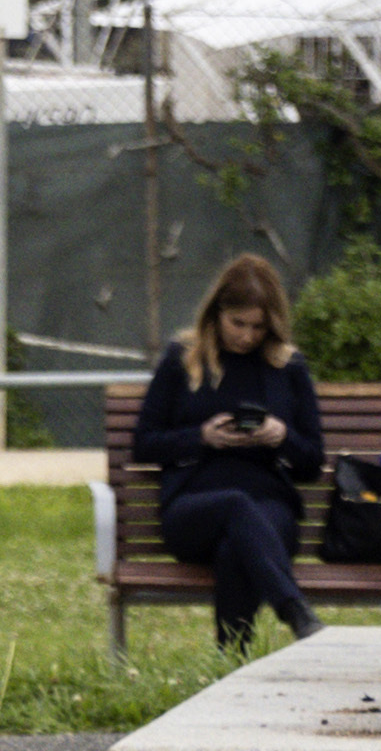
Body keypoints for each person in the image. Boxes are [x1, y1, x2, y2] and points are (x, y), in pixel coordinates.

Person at [121, 245, 327, 650]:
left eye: (258, 327)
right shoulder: (184, 358)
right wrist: (201, 437)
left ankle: (230, 664)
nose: (247, 336)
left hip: (270, 506)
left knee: (238, 542)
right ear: (216, 312)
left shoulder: (288, 367)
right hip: (194, 506)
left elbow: (312, 462)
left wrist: (281, 436)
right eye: (238, 323)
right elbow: (143, 444)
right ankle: (293, 609)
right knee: (234, 505)